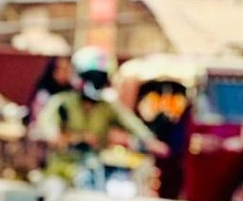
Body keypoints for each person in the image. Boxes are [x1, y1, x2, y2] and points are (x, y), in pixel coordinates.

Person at [33, 45, 158, 177]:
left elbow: (131, 122)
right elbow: (48, 128)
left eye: (100, 78)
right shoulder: (62, 102)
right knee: (54, 188)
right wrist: (73, 138)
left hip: (96, 170)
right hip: (63, 169)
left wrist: (149, 140)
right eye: (91, 77)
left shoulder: (108, 107)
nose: (95, 83)